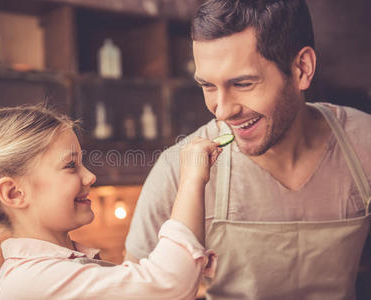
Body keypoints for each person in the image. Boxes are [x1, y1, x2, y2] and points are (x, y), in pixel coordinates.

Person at [125, 0, 371, 299]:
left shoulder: (363, 144)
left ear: (302, 69)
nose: (222, 111)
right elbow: (135, 289)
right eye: (208, 86)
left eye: (242, 83)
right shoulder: (178, 170)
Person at [0, 105, 221, 300]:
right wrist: (191, 178)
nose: (90, 176)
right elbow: (169, 284)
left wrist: (191, 262)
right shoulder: (30, 282)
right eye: (70, 165)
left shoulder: (50, 272)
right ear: (14, 193)